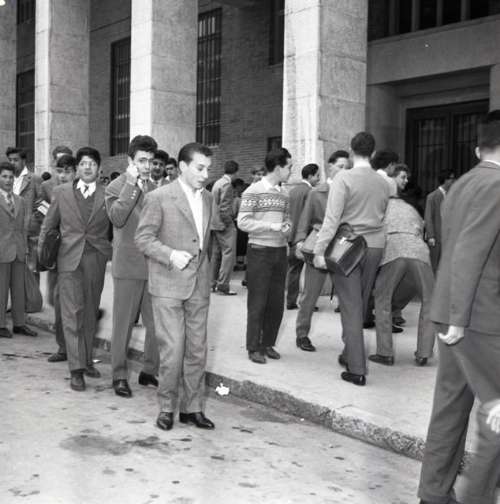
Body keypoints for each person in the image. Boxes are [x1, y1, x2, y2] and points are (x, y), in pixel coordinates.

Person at [418, 110, 500, 504]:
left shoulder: (462, 184)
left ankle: (433, 494)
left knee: (450, 408)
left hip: (453, 312)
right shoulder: (497, 185)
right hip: (477, 316)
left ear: (479, 147)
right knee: (495, 415)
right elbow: (470, 249)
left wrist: (451, 313)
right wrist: (459, 316)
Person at [135, 142, 215, 432]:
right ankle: (167, 407)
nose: (206, 174)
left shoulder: (208, 198)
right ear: (182, 166)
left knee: (197, 350)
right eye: (200, 168)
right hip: (168, 284)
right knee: (173, 349)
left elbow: (203, 240)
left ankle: (192, 409)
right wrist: (170, 254)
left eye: (208, 169)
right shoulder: (158, 197)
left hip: (199, 284)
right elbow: (143, 239)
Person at [313, 132, 390, 386]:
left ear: (350, 150)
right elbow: (383, 216)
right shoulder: (384, 183)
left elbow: (332, 219)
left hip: (349, 247)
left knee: (351, 306)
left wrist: (319, 251)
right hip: (375, 246)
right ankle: (349, 353)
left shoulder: (343, 178)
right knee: (361, 302)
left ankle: (356, 368)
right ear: (373, 152)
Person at [39, 147, 112, 392]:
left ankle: (86, 358)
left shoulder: (108, 194)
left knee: (90, 313)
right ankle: (76, 369)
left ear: (99, 168)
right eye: (83, 163)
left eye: (92, 163)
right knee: (71, 314)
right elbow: (48, 226)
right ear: (77, 168)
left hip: (96, 260)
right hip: (68, 260)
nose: (87, 167)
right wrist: (43, 255)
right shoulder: (61, 192)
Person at [105, 135, 160, 398]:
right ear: (130, 161)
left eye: (150, 161)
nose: (147, 166)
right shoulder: (116, 186)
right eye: (142, 161)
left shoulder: (156, 187)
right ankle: (118, 375)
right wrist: (130, 183)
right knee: (123, 324)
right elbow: (117, 218)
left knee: (157, 324)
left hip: (154, 267)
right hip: (127, 266)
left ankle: (149, 370)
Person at [369, 164, 435, 367]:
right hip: (419, 251)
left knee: (382, 299)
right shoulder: (410, 207)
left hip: (394, 251)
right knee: (429, 301)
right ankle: (424, 353)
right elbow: (421, 228)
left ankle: (385, 353)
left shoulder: (379, 206)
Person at [238, 148, 292, 364]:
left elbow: (287, 219)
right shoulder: (253, 191)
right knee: (258, 301)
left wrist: (287, 228)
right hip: (259, 251)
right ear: (278, 168)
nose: (290, 171)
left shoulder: (285, 193)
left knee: (276, 303)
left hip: (280, 251)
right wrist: (271, 226)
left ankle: (268, 343)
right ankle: (253, 347)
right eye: (289, 167)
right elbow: (243, 222)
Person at [294, 158, 342, 351]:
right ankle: (302, 334)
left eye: (347, 167)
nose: (344, 170)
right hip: (318, 244)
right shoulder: (316, 193)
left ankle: (350, 343)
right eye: (340, 166)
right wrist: (299, 240)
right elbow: (305, 218)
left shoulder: (351, 192)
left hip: (343, 247)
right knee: (310, 295)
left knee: (349, 297)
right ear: (330, 167)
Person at [43, 154, 77, 363]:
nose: (63, 176)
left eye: (67, 171)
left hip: (80, 257)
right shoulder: (54, 191)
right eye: (59, 171)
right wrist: (43, 254)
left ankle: (76, 350)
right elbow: (48, 224)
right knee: (56, 300)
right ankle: (64, 347)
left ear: (75, 172)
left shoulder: (84, 193)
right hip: (59, 257)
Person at [0, 162, 37, 339]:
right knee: (1, 290)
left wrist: (25, 249)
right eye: (4, 176)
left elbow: (22, 227)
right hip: (1, 251)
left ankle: (19, 324)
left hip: (19, 250)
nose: (8, 180)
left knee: (19, 289)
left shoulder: (20, 201)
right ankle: (0, 325)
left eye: (10, 177)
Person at [286, 163, 320, 310]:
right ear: (310, 176)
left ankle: (290, 300)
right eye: (317, 175)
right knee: (311, 271)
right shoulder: (311, 192)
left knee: (294, 270)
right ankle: (307, 302)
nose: (319, 179)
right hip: (306, 236)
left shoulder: (292, 191)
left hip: (291, 236)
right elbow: (311, 216)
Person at [6, 147, 42, 278]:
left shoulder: (34, 179)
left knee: (31, 271)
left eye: (15, 160)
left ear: (23, 161)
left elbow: (43, 204)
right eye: (10, 160)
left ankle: (32, 293)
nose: (12, 163)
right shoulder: (6, 179)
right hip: (9, 233)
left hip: (30, 233)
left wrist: (33, 221)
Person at [210, 160, 239, 295]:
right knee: (229, 254)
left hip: (215, 223)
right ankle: (223, 285)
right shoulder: (227, 185)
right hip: (224, 224)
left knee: (216, 255)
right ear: (235, 172)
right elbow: (224, 208)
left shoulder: (218, 183)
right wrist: (229, 223)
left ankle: (212, 283)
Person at [424, 169, 455, 272]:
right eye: (451, 178)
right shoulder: (432, 197)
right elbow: (428, 217)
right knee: (434, 264)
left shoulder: (452, 196)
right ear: (445, 180)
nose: (453, 181)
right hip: (436, 237)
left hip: (449, 236)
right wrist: (431, 236)